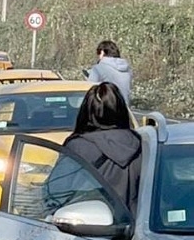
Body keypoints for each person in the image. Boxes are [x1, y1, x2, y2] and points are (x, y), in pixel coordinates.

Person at [46, 82, 141, 216]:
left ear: (86, 112)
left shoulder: (79, 147)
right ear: (121, 111)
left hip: (87, 229)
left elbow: (55, 194)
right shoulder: (141, 143)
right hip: (136, 228)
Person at [87, 39, 133, 107]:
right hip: (125, 110)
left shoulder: (98, 68)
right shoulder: (127, 69)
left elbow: (89, 92)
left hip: (106, 111)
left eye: (98, 53)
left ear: (102, 52)